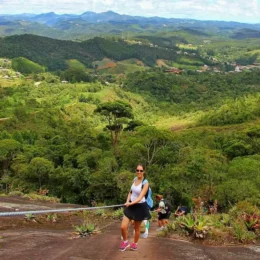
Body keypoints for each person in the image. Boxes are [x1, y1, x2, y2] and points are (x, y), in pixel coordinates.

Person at [120, 164, 151, 251]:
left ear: (144, 171)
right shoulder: (134, 179)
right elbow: (130, 192)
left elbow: (140, 197)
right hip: (130, 206)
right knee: (123, 227)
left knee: (136, 228)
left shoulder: (145, 183)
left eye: (141, 170)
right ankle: (125, 242)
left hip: (139, 207)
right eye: (137, 170)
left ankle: (134, 243)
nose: (139, 172)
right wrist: (127, 201)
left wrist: (130, 203)